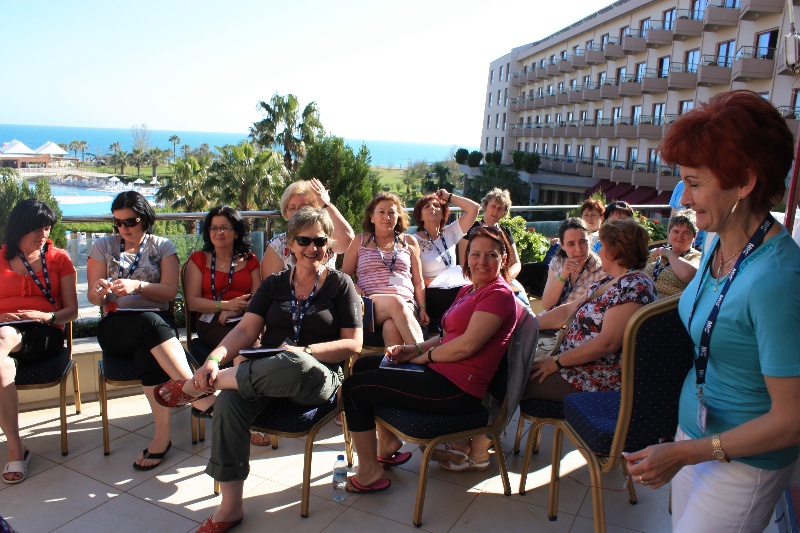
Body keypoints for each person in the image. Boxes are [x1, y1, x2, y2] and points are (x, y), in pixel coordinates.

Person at [623, 90, 800, 532]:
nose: (684, 196)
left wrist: (686, 453)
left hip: (743, 463)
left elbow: (792, 419)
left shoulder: (777, 280)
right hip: (694, 434)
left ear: (745, 182)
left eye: (695, 183)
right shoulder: (721, 242)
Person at [156, 207, 362, 532]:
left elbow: (354, 344)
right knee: (229, 403)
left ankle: (204, 385)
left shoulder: (341, 284)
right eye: (304, 240)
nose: (312, 248)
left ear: (328, 245)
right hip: (267, 375)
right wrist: (213, 360)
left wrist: (306, 351)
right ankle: (230, 507)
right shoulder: (274, 285)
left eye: (320, 241)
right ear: (290, 244)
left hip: (318, 378)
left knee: (296, 361)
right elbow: (244, 331)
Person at [341, 226, 518, 491]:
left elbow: (467, 345)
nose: (481, 262)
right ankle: (387, 444)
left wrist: (424, 358)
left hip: (457, 390)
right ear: (467, 256)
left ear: (503, 259)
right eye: (475, 254)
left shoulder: (498, 295)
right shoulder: (469, 290)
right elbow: (447, 336)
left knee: (354, 389)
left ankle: (368, 472)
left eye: (491, 255)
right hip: (441, 372)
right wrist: (415, 350)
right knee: (363, 365)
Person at [87, 191, 212, 470]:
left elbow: (169, 292)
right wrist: (100, 291)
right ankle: (197, 393)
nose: (123, 228)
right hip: (117, 325)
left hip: (156, 327)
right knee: (149, 324)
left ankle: (162, 439)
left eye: (130, 221)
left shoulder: (162, 246)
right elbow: (93, 297)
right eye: (117, 222)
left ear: (144, 218)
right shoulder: (103, 247)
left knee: (149, 347)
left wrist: (137, 286)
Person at [526, 218, 655, 402]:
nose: (598, 251)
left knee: (511, 380)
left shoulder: (634, 285)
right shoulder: (611, 281)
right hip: (571, 363)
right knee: (510, 366)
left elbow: (607, 344)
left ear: (615, 251)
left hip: (589, 377)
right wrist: (528, 325)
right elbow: (567, 311)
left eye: (602, 246)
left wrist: (557, 361)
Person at [0, 200, 78, 484]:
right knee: (1, 367)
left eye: (47, 228)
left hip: (45, 332)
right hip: (4, 331)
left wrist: (47, 316)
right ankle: (16, 448)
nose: (44, 234)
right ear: (19, 228)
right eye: (37, 228)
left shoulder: (59, 258)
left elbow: (72, 311)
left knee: (4, 337)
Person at [341, 192, 427, 345]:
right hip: (369, 304)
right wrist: (354, 286)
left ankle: (394, 361)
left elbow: (418, 281)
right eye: (381, 212)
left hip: (406, 304)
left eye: (391, 212)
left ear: (398, 216)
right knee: (395, 302)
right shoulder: (359, 241)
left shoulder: (410, 242)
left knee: (391, 327)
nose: (387, 217)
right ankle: (424, 352)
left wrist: (422, 308)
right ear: (372, 216)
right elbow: (344, 277)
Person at [184, 206, 261, 350]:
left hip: (244, 317)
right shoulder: (198, 259)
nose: (219, 232)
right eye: (214, 228)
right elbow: (192, 303)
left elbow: (258, 297)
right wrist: (225, 305)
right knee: (241, 345)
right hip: (211, 321)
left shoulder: (250, 260)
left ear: (236, 232)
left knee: (250, 344)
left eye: (224, 227)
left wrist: (237, 310)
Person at [411, 189, 480, 332]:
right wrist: (438, 281)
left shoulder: (450, 233)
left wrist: (448, 196)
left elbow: (474, 209)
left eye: (436, 206)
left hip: (455, 288)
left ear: (443, 214)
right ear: (420, 216)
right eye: (427, 206)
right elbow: (412, 277)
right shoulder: (413, 241)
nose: (432, 208)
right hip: (431, 293)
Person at [260, 178, 354, 278]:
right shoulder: (278, 245)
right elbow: (270, 285)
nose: (297, 212)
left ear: (316, 209)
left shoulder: (324, 239)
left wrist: (325, 204)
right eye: (292, 208)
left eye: (303, 207)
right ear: (286, 211)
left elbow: (347, 238)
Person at [540, 218, 605, 311]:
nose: (578, 249)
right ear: (562, 245)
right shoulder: (557, 262)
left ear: (590, 240)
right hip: (551, 316)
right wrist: (563, 275)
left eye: (583, 241)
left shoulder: (600, 270)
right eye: (571, 244)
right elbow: (547, 305)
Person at [643, 209, 701, 298]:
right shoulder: (656, 252)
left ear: (694, 236)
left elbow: (687, 275)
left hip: (669, 303)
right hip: (644, 298)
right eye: (676, 231)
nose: (680, 236)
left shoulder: (696, 257)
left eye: (686, 233)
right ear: (669, 233)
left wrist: (668, 254)